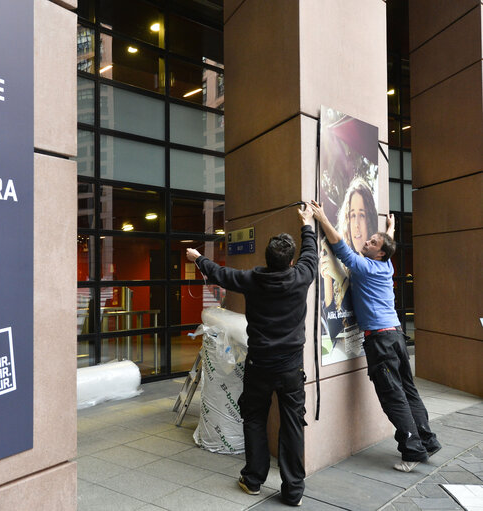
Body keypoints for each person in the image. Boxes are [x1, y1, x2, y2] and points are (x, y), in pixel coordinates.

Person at [186, 204, 317, 506]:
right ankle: (294, 490)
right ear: (291, 261)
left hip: (259, 365)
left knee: (254, 418)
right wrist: (307, 222)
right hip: (291, 368)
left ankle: (253, 480)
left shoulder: (252, 280)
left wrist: (198, 258)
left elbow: (220, 273)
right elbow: (311, 250)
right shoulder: (302, 276)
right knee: (293, 423)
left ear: (267, 260)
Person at [309, 200, 441, 472]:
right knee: (408, 390)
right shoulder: (387, 265)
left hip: (381, 341)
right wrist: (389, 229)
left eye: (371, 243)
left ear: (379, 253)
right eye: (369, 240)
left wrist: (322, 217)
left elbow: (338, 246)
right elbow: (387, 243)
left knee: (393, 396)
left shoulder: (366, 267)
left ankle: (412, 450)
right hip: (395, 336)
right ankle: (427, 439)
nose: (366, 242)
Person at [320, 177, 378, 344]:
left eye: (362, 215)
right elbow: (334, 333)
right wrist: (328, 279)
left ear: (371, 218)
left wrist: (339, 276)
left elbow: (362, 310)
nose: (357, 224)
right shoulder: (345, 263)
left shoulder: (374, 263)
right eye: (352, 216)